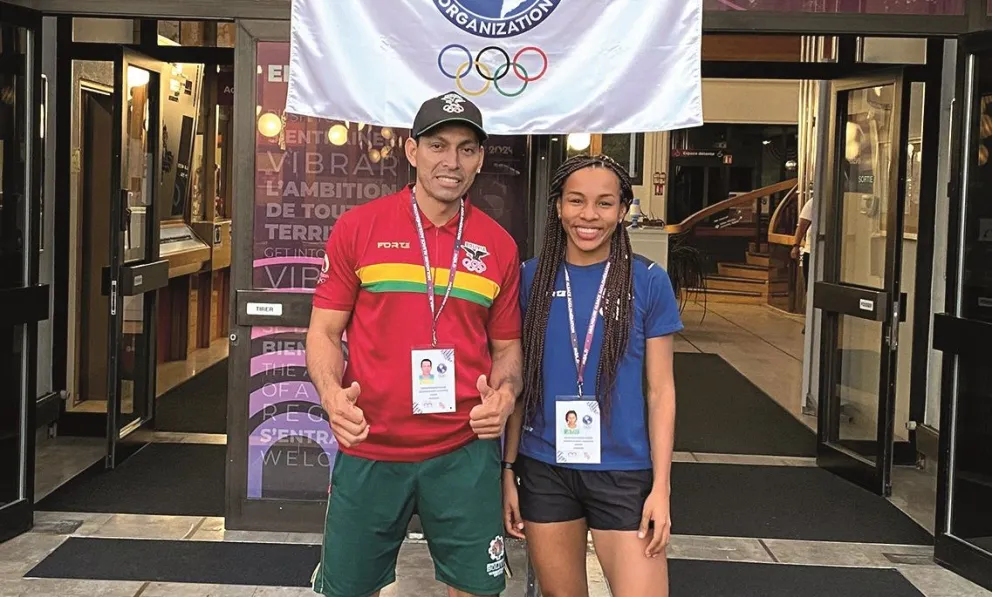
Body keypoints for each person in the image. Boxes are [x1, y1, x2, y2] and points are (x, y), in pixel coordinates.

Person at [306, 91, 523, 597]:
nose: (452, 161)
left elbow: (507, 348)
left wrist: (506, 395)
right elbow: (323, 332)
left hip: (464, 451)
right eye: (438, 145)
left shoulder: (499, 245)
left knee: (475, 589)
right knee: (347, 589)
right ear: (411, 151)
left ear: (481, 158)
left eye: (467, 148)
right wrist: (331, 395)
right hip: (370, 445)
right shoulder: (359, 228)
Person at [501, 154, 682, 597]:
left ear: (623, 211)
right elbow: (518, 385)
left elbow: (661, 392)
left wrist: (662, 488)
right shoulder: (529, 279)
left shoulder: (649, 282)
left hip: (623, 472)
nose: (588, 216)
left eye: (604, 204)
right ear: (558, 206)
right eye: (576, 201)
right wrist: (507, 470)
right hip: (546, 468)